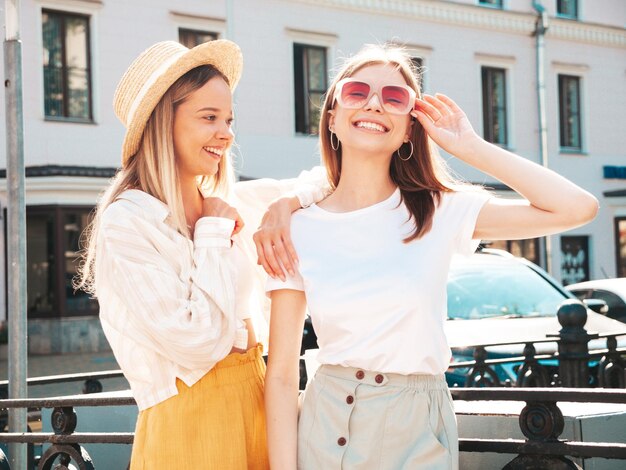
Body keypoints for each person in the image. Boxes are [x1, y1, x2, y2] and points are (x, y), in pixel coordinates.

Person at [263, 44, 598, 469]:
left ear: (408, 129)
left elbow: (577, 208)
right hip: (327, 421)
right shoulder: (297, 227)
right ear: (332, 118)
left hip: (416, 425)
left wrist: (471, 147)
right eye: (356, 91)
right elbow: (280, 374)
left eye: (395, 97)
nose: (374, 103)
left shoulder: (438, 211)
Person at [76, 39, 329, 469]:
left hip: (260, 405)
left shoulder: (227, 200)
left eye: (228, 119)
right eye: (209, 117)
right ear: (162, 123)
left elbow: (328, 180)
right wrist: (212, 233)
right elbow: (198, 342)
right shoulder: (128, 222)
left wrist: (286, 205)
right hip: (191, 428)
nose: (226, 133)